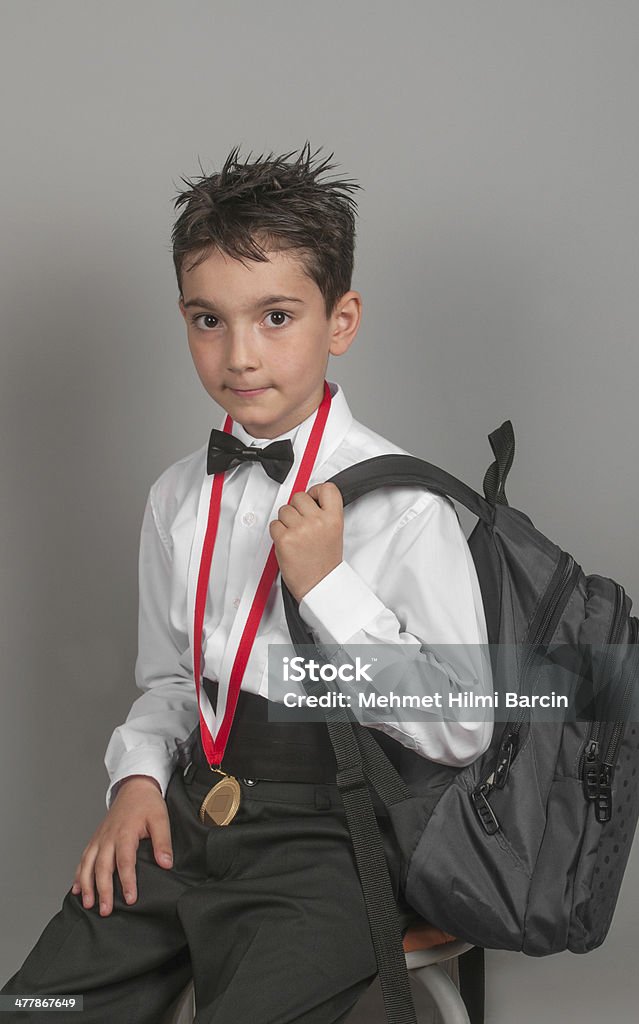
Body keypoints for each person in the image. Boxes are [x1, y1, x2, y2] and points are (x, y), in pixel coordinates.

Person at [1, 143, 493, 1023]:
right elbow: (172, 684)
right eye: (207, 320)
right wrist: (139, 781)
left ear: (339, 321)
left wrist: (331, 588)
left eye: (274, 317)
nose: (238, 356)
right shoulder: (177, 495)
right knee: (39, 1007)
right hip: (194, 808)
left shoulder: (404, 504)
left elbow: (461, 724)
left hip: (337, 831)